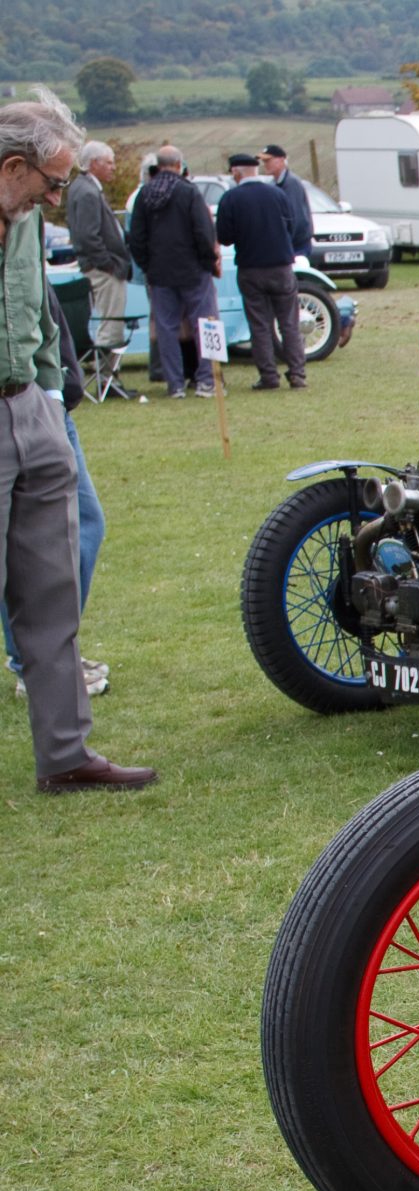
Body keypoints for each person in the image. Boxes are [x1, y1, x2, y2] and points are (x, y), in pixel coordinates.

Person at [0, 93, 153, 792]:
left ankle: (65, 756)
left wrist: (47, 399)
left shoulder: (26, 218)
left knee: (53, 591)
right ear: (11, 167)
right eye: (52, 183)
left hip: (31, 412)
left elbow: (31, 313)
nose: (59, 198)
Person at [127, 143, 218, 398]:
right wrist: (208, 261)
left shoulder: (145, 195)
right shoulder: (189, 192)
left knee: (166, 328)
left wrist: (147, 265)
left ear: (158, 165)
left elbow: (136, 238)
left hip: (159, 273)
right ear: (180, 165)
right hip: (193, 270)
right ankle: (206, 379)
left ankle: (175, 383)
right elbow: (203, 231)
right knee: (205, 324)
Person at [214, 152, 305, 391]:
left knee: (260, 324)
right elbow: (291, 225)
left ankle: (268, 375)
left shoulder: (231, 199)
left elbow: (223, 237)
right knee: (289, 322)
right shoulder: (278, 194)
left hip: (251, 267)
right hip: (281, 266)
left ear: (236, 171)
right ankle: (297, 373)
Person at [64, 140, 130, 353]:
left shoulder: (82, 188)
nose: (113, 167)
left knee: (110, 322)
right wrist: (107, 264)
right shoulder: (87, 192)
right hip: (103, 270)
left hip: (100, 266)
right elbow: (88, 236)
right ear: (94, 163)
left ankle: (109, 379)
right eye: (109, 163)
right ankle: (108, 381)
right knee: (111, 325)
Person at [258, 142, 313, 262]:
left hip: (296, 246)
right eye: (264, 161)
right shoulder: (273, 184)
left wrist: (284, 242)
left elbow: (296, 217)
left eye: (268, 161)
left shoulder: (291, 183)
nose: (265, 164)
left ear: (281, 160)